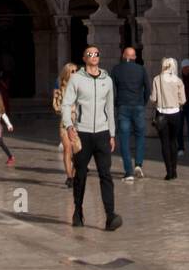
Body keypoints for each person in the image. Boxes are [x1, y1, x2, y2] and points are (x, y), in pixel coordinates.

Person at [61, 45, 121, 231]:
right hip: (83, 133)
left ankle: (110, 216)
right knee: (81, 175)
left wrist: (111, 133)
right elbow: (66, 104)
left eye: (96, 54)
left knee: (106, 174)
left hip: (102, 133)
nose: (94, 56)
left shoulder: (108, 80)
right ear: (84, 57)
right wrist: (70, 126)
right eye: (90, 54)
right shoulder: (76, 79)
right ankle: (78, 212)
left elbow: (110, 109)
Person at [110, 46, 151, 182]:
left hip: (123, 106)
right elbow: (147, 88)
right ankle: (138, 164)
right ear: (134, 57)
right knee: (140, 136)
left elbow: (112, 89)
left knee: (124, 139)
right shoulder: (141, 69)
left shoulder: (116, 69)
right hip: (138, 105)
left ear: (123, 55)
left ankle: (128, 172)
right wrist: (143, 102)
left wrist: (116, 102)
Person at [150, 57, 186, 180]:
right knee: (173, 141)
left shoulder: (157, 79)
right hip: (175, 113)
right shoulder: (178, 81)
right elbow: (183, 100)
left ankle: (168, 171)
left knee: (164, 143)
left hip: (162, 114)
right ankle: (175, 170)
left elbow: (153, 98)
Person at [53, 62, 79, 187]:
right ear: (67, 73)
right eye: (72, 71)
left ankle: (74, 174)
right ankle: (69, 177)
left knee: (78, 152)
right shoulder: (59, 90)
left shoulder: (80, 89)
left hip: (78, 124)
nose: (75, 74)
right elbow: (56, 106)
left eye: (76, 71)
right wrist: (69, 109)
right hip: (64, 123)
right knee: (67, 148)